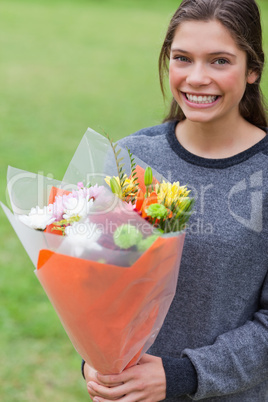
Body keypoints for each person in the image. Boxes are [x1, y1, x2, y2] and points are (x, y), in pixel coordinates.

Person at [83, 0, 268, 400]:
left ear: (253, 70)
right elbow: (94, 281)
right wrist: (94, 359)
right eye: (183, 58)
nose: (196, 78)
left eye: (220, 61)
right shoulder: (131, 158)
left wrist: (182, 375)